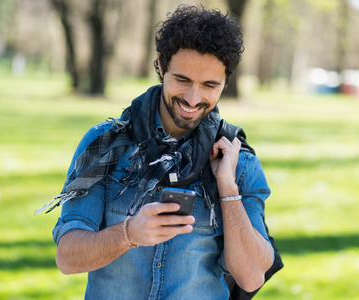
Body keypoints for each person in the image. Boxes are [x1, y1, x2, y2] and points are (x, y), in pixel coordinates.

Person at [38, 4, 279, 299]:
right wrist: (128, 233)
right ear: (161, 65)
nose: (193, 98)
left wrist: (227, 187)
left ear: (226, 81)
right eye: (183, 80)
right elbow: (68, 257)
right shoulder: (105, 145)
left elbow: (252, 276)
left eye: (209, 85)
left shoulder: (238, 162)